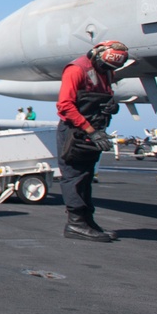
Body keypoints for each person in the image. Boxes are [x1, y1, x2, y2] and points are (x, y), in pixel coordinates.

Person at [55, 40, 128, 242]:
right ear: (96, 53)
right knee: (73, 175)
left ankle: (87, 220)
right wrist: (91, 131)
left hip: (93, 129)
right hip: (75, 131)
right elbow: (65, 107)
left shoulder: (106, 70)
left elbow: (104, 94)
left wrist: (111, 106)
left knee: (86, 175)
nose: (106, 71)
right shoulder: (76, 69)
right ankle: (75, 224)